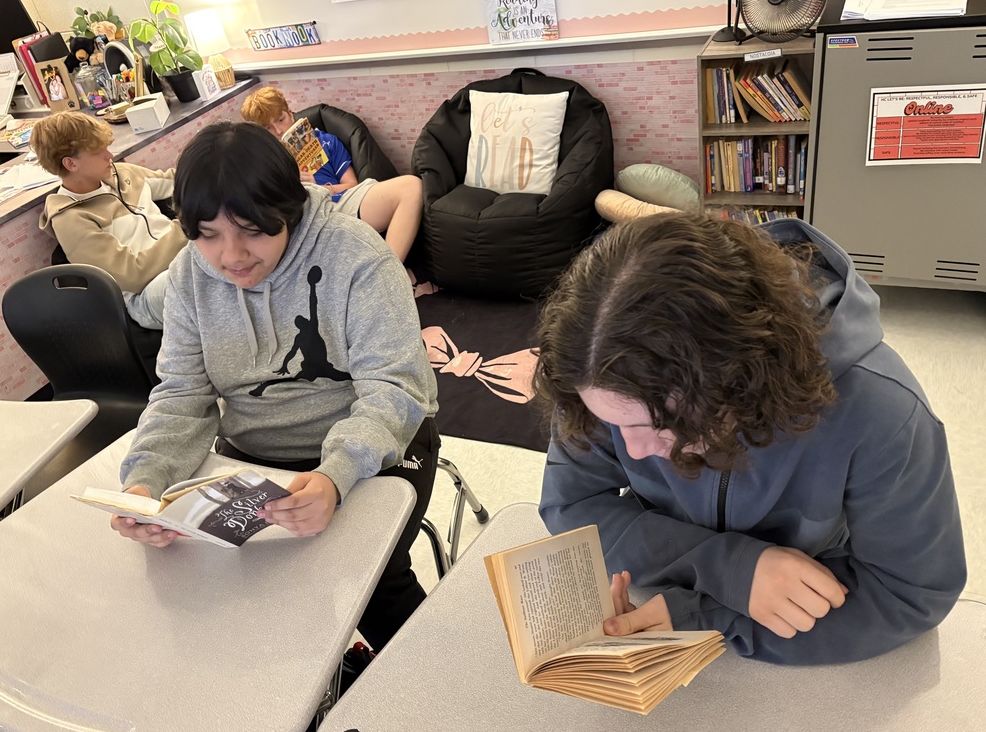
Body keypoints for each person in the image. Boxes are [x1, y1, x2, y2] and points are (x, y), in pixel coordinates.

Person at [534, 212, 966, 665]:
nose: (633, 450)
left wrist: (708, 618)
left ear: (742, 380)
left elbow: (910, 593)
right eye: (611, 422)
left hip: (808, 600)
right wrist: (728, 568)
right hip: (680, 597)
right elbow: (570, 505)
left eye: (659, 425)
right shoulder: (600, 365)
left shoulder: (883, 410)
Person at [113, 121, 439, 653]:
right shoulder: (189, 277)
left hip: (374, 446)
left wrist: (335, 474)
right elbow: (181, 396)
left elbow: (396, 387)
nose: (232, 256)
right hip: (256, 456)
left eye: (252, 230)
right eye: (208, 235)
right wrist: (145, 484)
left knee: (372, 578)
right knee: (232, 586)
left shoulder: (357, 257)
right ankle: (317, 683)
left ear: (286, 211)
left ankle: (426, 682)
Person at [32, 111, 187, 330]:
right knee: (202, 276)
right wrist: (187, 230)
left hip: (183, 262)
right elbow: (134, 275)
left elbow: (178, 182)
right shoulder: (70, 218)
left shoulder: (121, 174)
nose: (109, 155)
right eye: (98, 152)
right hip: (145, 295)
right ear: (71, 164)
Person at [240, 86, 423, 267]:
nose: (279, 131)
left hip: (339, 203)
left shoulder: (326, 142)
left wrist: (324, 189)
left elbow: (351, 184)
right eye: (268, 128)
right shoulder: (261, 165)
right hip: (301, 223)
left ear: (290, 113)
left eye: (281, 119)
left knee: (411, 187)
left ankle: (390, 273)